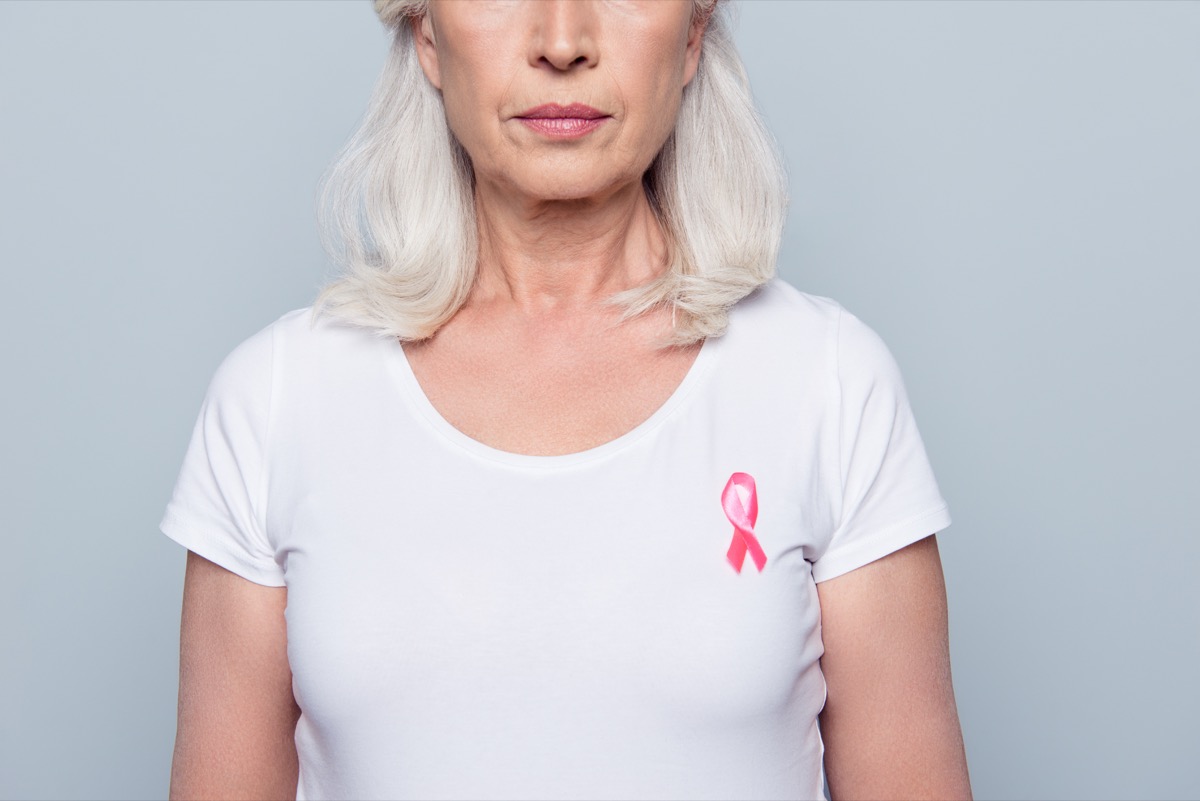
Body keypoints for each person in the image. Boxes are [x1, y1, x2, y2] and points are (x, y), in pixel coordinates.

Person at [160, 1, 972, 799]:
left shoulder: (827, 384)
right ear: (426, 33)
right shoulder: (278, 400)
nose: (561, 40)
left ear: (694, 31)